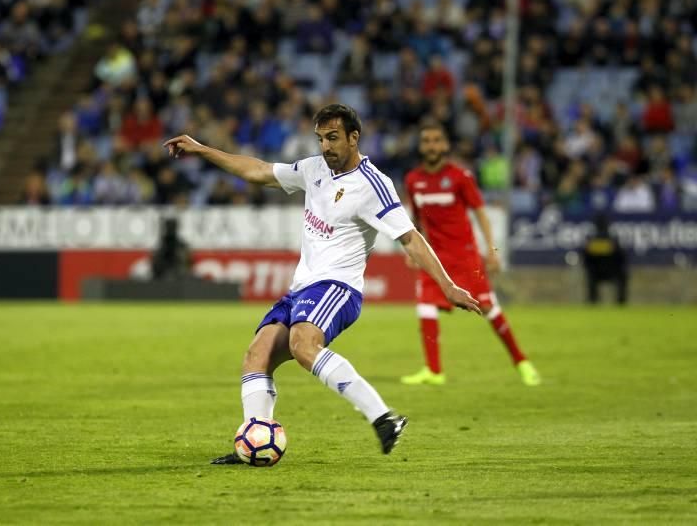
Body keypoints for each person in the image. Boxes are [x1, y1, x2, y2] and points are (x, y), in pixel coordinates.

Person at [164, 104, 480, 464]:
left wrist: (448, 286)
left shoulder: (373, 184)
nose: (325, 147)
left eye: (332, 138)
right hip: (303, 287)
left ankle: (383, 416)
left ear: (353, 137)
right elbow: (259, 171)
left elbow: (409, 238)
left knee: (303, 344)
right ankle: (255, 438)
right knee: (257, 356)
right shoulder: (314, 169)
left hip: (338, 286)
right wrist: (202, 149)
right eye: (320, 139)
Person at [400, 121, 541, 387]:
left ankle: (522, 362)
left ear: (445, 145)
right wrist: (412, 250)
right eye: (426, 141)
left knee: (488, 308)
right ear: (421, 146)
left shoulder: (460, 176)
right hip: (435, 259)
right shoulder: (413, 180)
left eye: (436, 140)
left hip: (465, 257)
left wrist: (493, 250)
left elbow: (481, 215)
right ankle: (433, 370)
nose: (431, 146)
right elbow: (417, 221)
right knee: (425, 306)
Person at [582, 214, 627, 305]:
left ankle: (593, 300)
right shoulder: (612, 241)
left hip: (604, 272)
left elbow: (585, 258)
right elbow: (622, 257)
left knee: (622, 275)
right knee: (622, 274)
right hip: (604, 272)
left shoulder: (593, 240)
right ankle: (620, 301)